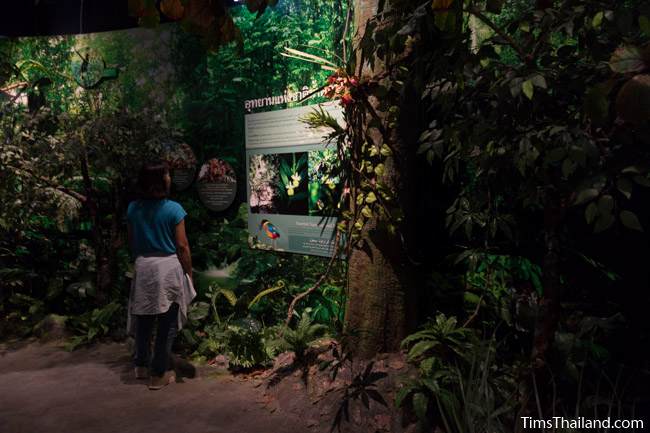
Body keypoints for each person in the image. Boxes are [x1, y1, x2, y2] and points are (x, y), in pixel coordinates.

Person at [126, 160, 195, 390]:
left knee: (144, 319)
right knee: (166, 324)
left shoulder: (133, 208)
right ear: (159, 180)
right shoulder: (173, 209)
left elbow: (131, 240)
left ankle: (141, 366)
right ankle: (158, 374)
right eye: (167, 174)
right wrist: (189, 272)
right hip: (167, 268)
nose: (169, 178)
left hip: (143, 266)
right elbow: (182, 246)